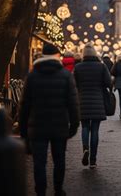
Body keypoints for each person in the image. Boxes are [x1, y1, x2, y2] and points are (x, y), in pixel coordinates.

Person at [19, 43, 79, 196]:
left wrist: (23, 129)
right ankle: (58, 189)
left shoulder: (32, 75)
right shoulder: (65, 75)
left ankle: (40, 191)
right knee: (59, 160)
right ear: (57, 56)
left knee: (39, 162)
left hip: (37, 125)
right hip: (59, 125)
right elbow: (73, 103)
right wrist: (74, 125)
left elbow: (24, 105)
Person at [73, 43, 112, 169]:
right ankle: (93, 161)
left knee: (84, 127)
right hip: (97, 100)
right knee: (95, 130)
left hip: (83, 100)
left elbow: (73, 84)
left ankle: (85, 148)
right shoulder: (101, 66)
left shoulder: (78, 67)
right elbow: (108, 82)